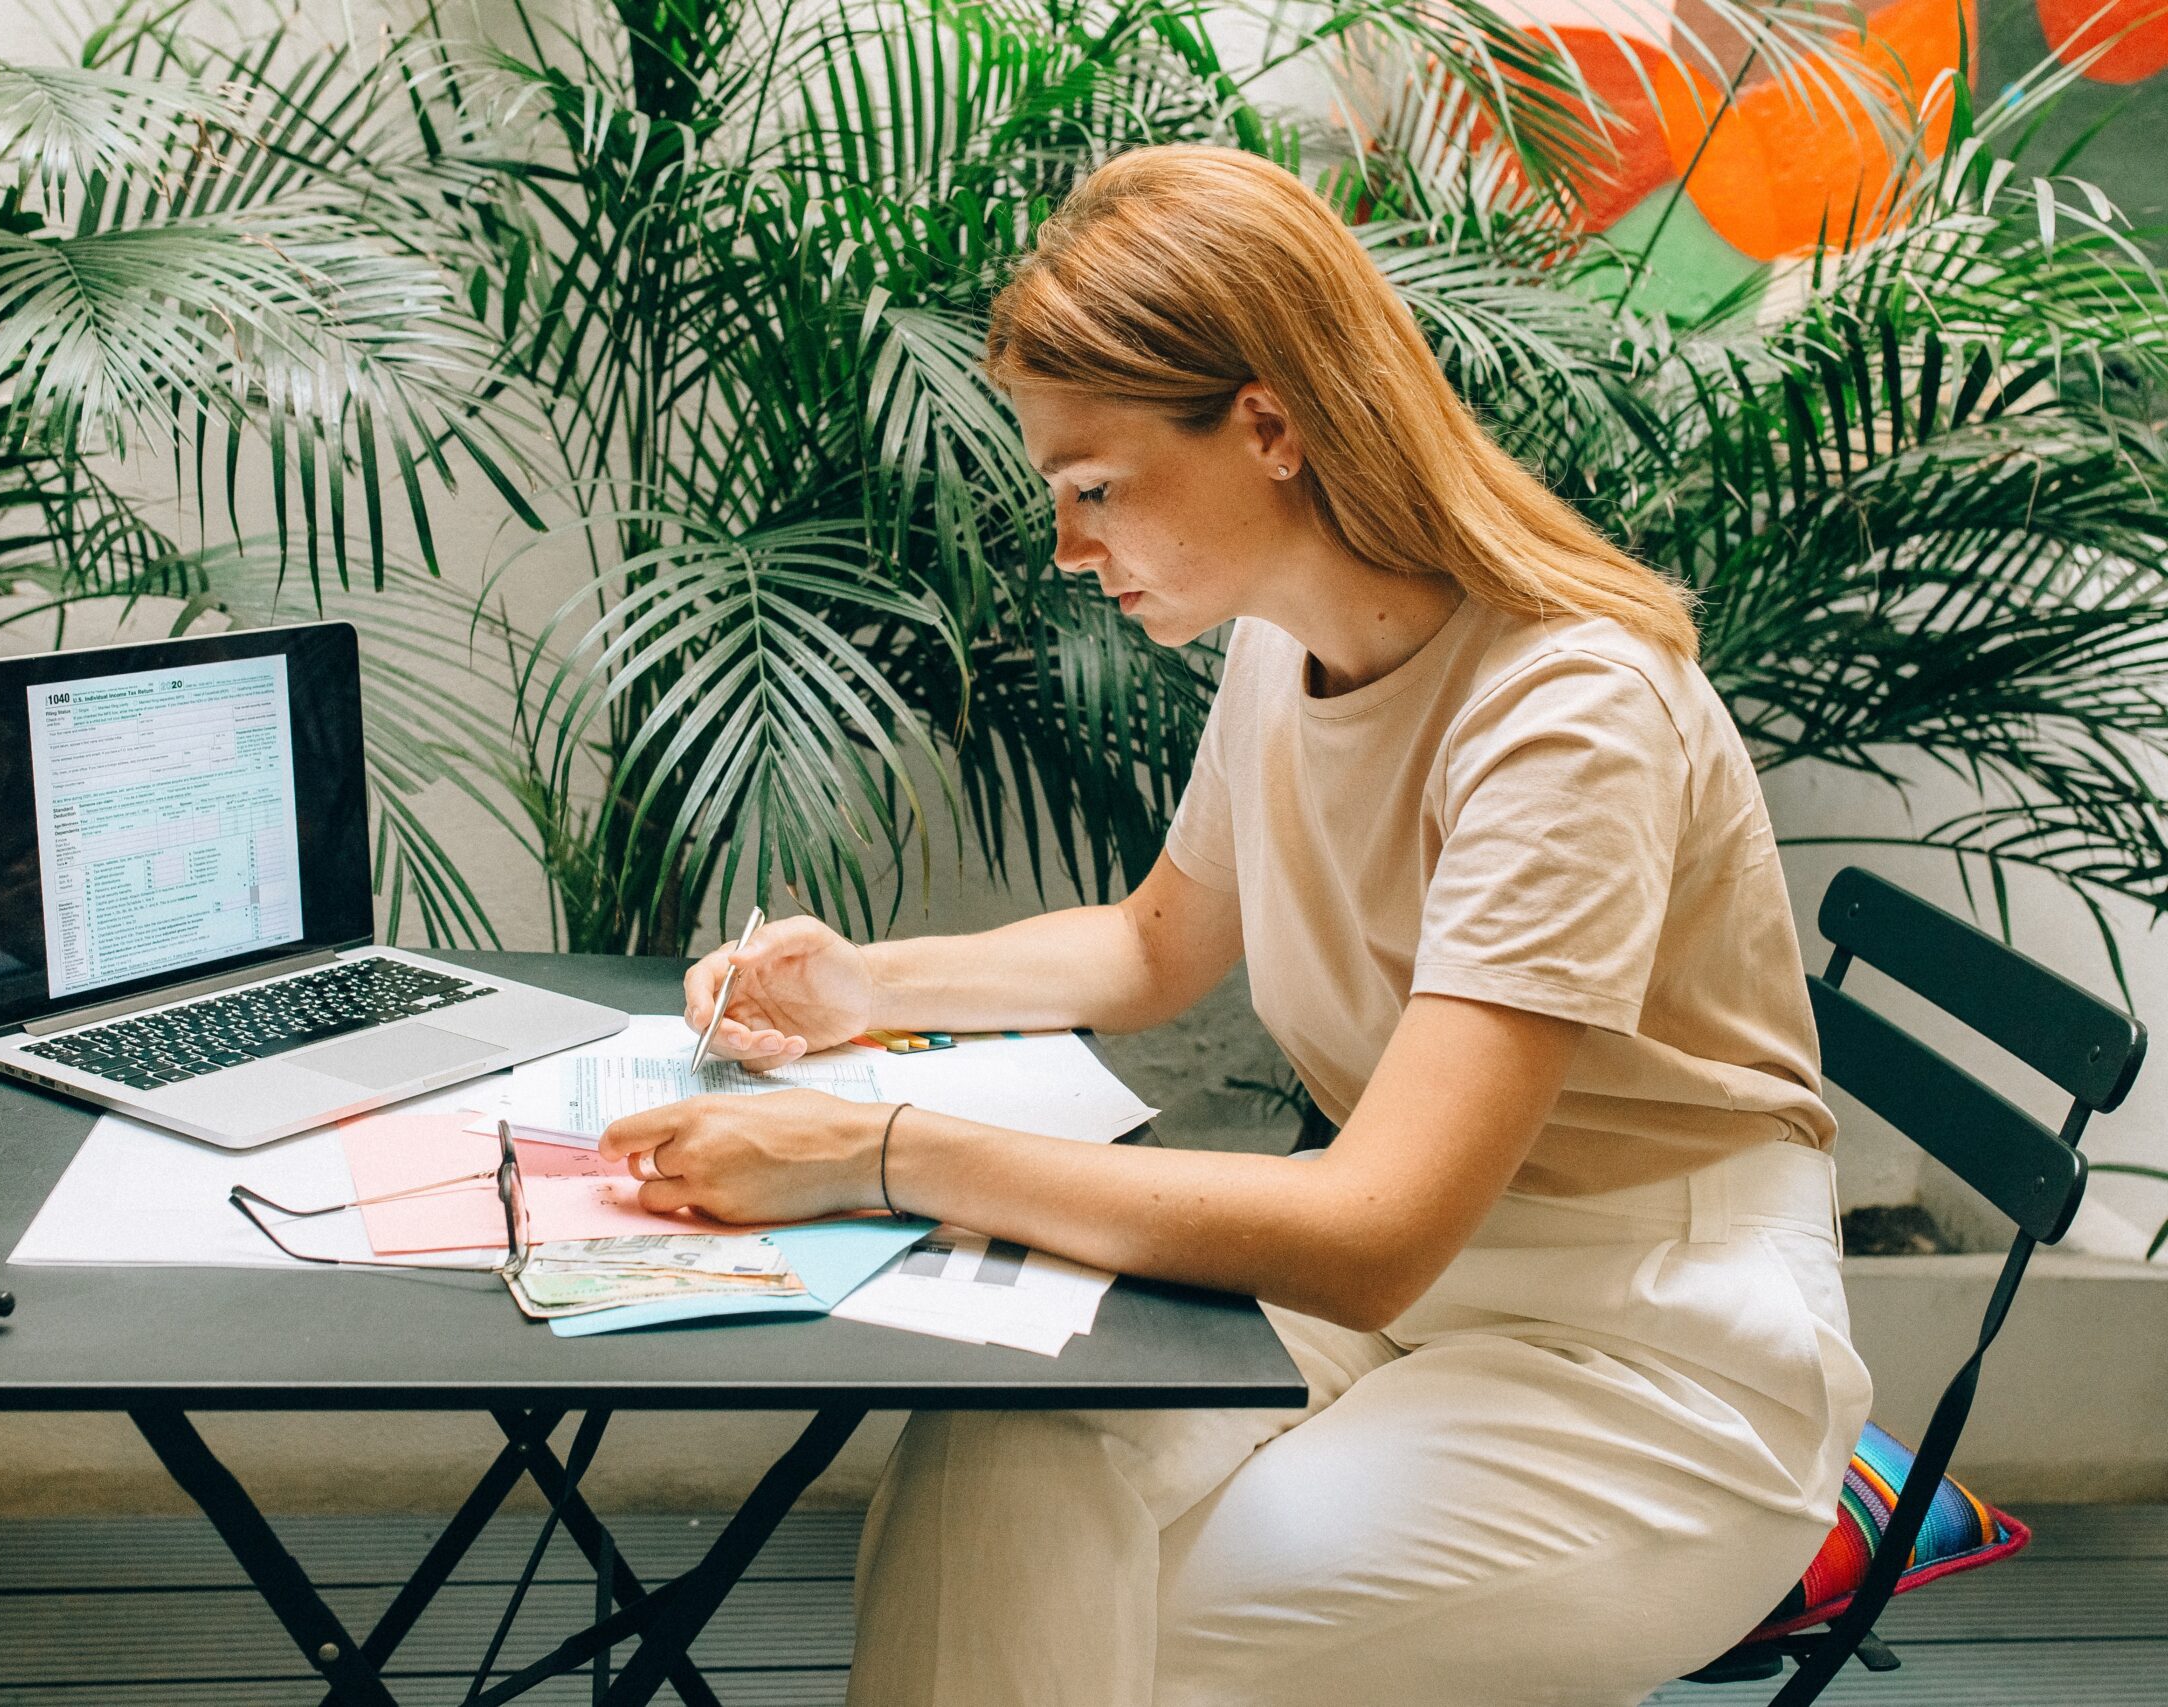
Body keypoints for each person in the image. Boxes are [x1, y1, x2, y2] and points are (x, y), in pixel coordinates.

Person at [596, 145, 1870, 1707]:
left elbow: (1376, 1233)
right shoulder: (1288, 645)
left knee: (1118, 1639)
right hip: (1403, 1309)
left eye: (1094, 487)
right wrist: (864, 984)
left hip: (1646, 1364)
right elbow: (1155, 945)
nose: (1066, 547)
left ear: (1269, 423)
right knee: (998, 1465)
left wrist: (877, 1150)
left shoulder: (1567, 717)